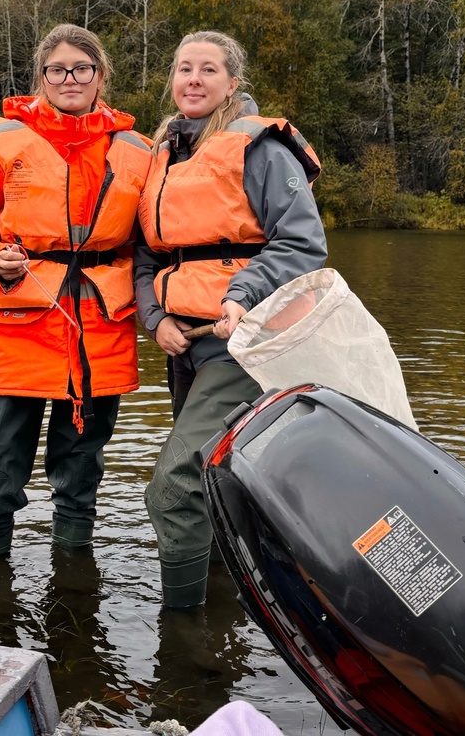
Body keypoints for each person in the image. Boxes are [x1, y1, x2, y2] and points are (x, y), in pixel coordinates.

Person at [0, 24, 152, 558]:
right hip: (15, 332)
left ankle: (74, 586)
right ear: (42, 77)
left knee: (80, 479)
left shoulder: (138, 152)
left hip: (99, 336)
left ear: (100, 76)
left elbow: (163, 237)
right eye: (57, 69)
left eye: (81, 68)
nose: (69, 78)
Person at [134, 30, 327, 608]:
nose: (193, 79)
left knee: (172, 486)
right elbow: (147, 254)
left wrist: (243, 294)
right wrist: (156, 319)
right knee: (214, 478)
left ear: (231, 84)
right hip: (187, 342)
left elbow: (301, 244)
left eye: (208, 70)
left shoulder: (259, 148)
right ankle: (226, 604)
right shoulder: (162, 152)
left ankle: (183, 631)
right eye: (184, 68)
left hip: (246, 340)